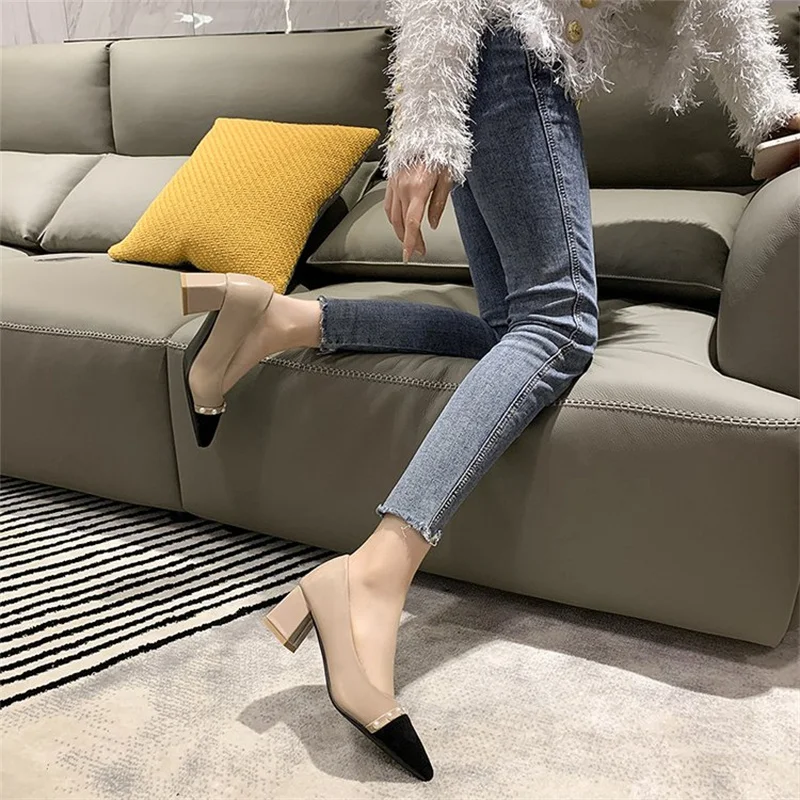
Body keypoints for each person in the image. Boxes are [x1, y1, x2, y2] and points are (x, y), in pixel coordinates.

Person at [179, 0, 800, 781]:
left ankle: (282, 320)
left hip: (498, 63)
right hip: (506, 57)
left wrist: (775, 114)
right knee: (560, 329)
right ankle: (374, 571)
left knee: (513, 330)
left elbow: (725, 9)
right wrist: (424, 125)